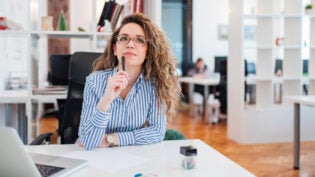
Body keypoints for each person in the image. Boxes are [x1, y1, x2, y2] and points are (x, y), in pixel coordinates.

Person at [77, 13, 181, 150]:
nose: (130, 44)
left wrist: (112, 139)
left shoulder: (155, 84)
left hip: (133, 157)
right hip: (96, 158)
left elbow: (157, 132)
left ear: (147, 51)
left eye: (140, 40)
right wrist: (106, 99)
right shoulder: (94, 81)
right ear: (115, 49)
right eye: (124, 38)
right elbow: (88, 141)